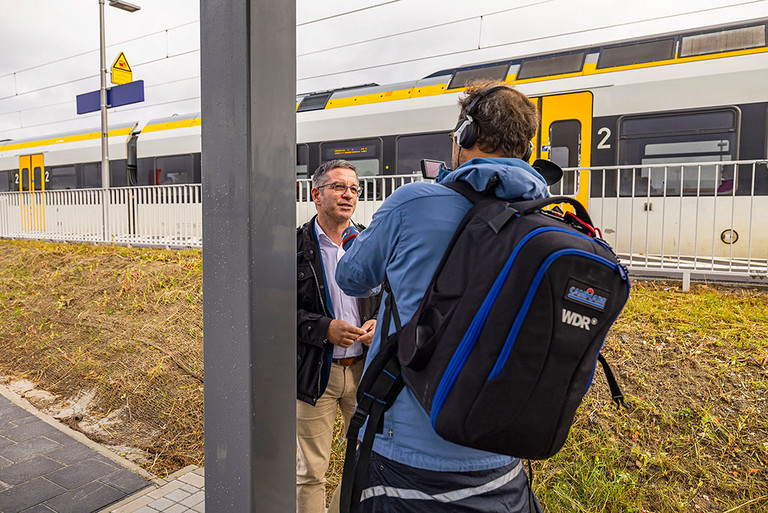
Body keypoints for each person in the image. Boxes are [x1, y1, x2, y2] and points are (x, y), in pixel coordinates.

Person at [335, 81, 547, 512]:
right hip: (501, 456)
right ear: (524, 150)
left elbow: (351, 277)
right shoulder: (544, 223)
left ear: (465, 134)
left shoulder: (415, 202)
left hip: (406, 454)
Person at [297, 159, 381, 513]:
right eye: (338, 187)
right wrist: (324, 328)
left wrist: (378, 319)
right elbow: (272, 312)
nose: (348, 195)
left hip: (365, 370)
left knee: (369, 461)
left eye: (353, 189)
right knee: (311, 471)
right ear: (316, 194)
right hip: (318, 371)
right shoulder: (294, 247)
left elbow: (390, 294)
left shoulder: (368, 242)